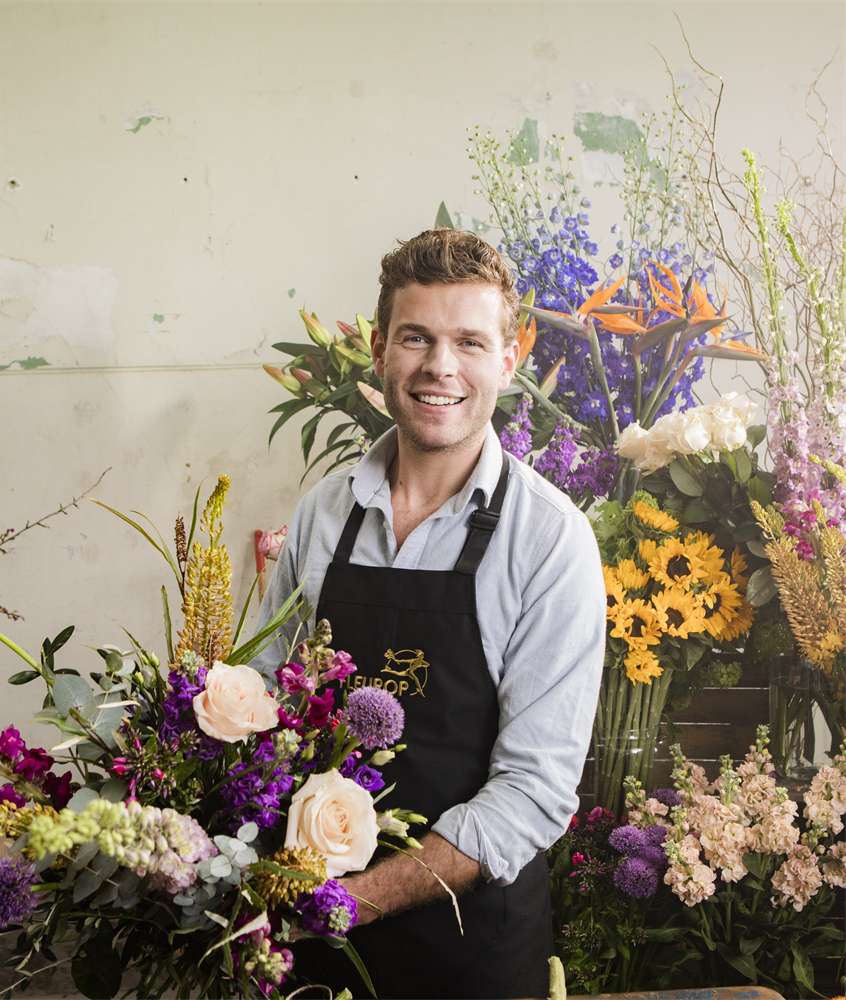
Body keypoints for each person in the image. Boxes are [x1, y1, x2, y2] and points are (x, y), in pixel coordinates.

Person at [251, 228, 605, 1000]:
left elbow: (533, 793)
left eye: (470, 342)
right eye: (417, 338)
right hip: (311, 950)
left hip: (468, 952)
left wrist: (352, 901)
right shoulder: (325, 513)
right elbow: (261, 705)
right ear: (379, 351)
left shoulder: (549, 541)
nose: (440, 367)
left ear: (509, 362)